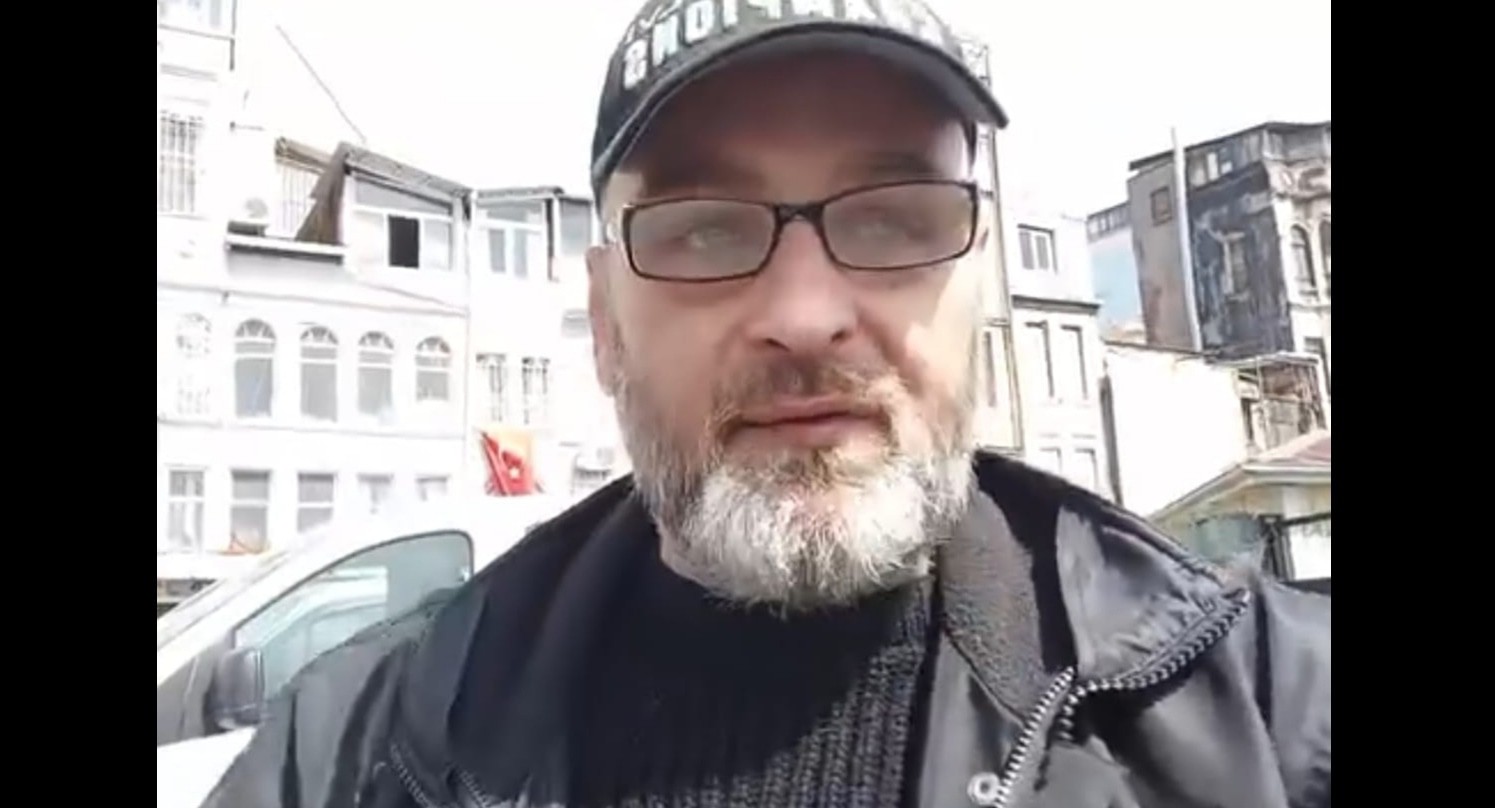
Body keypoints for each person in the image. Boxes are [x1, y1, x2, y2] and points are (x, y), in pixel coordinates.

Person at [205, 2, 1331, 807]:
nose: (803, 314)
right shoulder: (348, 755)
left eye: (892, 218)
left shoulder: (1274, 713)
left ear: (979, 291)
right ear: (604, 322)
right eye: (702, 230)